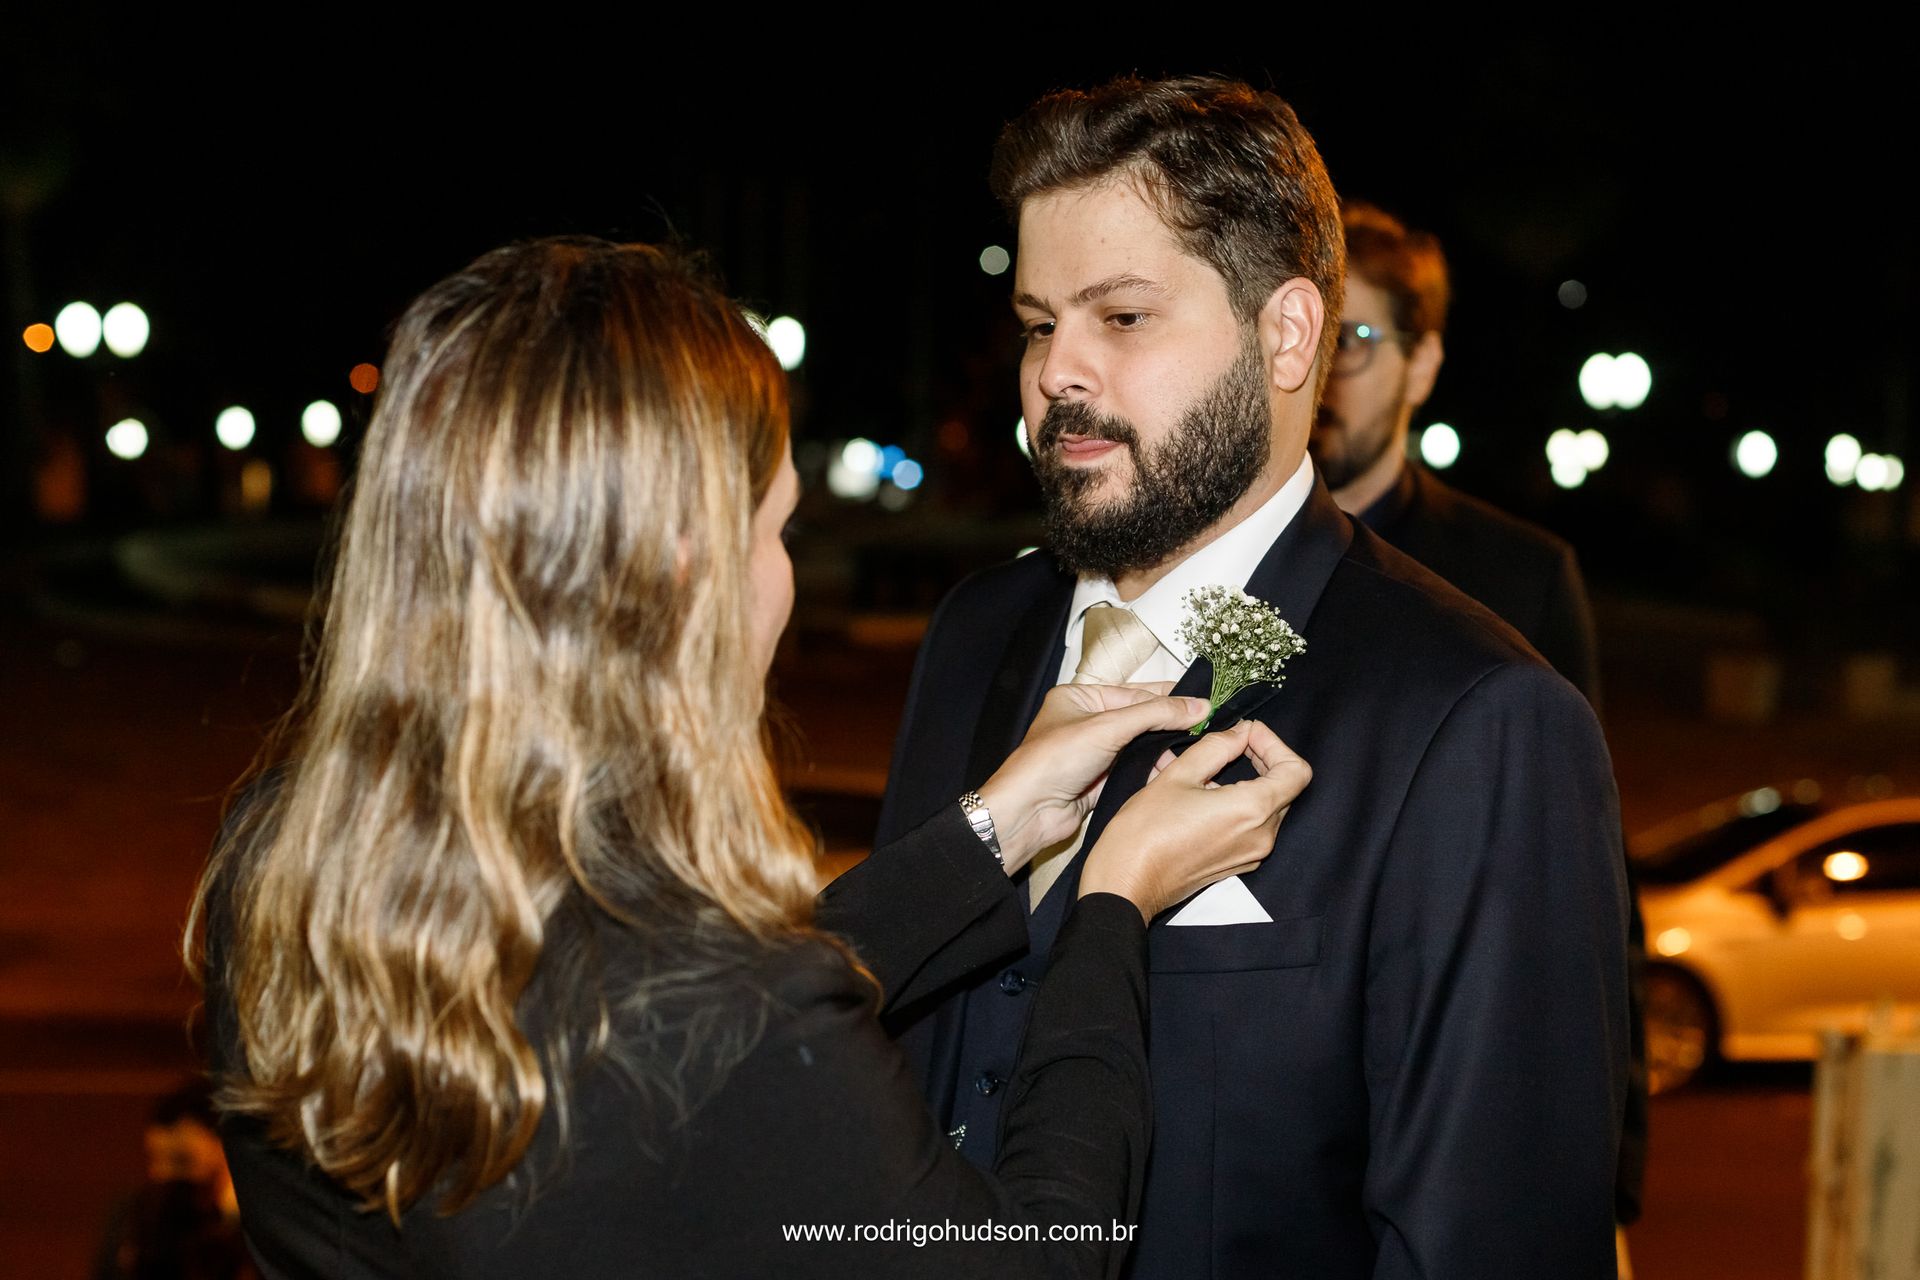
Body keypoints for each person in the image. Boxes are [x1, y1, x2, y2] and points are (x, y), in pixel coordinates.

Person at [187, 237, 1311, 1280]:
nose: (781, 573)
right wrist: (1113, 897)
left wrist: (990, 833)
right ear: (687, 565)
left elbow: (642, 1038)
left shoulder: (286, 861)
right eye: (777, 529)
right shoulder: (733, 1018)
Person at [867, 75, 1631, 1278]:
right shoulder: (973, 634)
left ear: (1286, 334)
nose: (1056, 370)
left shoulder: (1477, 719)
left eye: (1120, 318)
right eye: (1034, 321)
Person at [1313, 202, 1650, 1265]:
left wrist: (1613, 1156)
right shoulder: (1228, 566)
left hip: (1453, 1055)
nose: (1325, 372)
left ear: (1423, 365)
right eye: (1309, 337)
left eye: (1356, 341)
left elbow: (1586, 871)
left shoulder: (1519, 573)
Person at [1313, 201, 1601, 703]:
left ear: (1420, 366)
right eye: (1298, 335)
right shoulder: (1204, 544)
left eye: (1348, 338)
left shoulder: (1523, 583)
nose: (1315, 370)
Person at [92, 1079, 256, 1280]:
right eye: (154, 1159)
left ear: (224, 1147)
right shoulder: (134, 1217)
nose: (163, 1174)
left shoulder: (257, 1219)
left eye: (182, 1161)